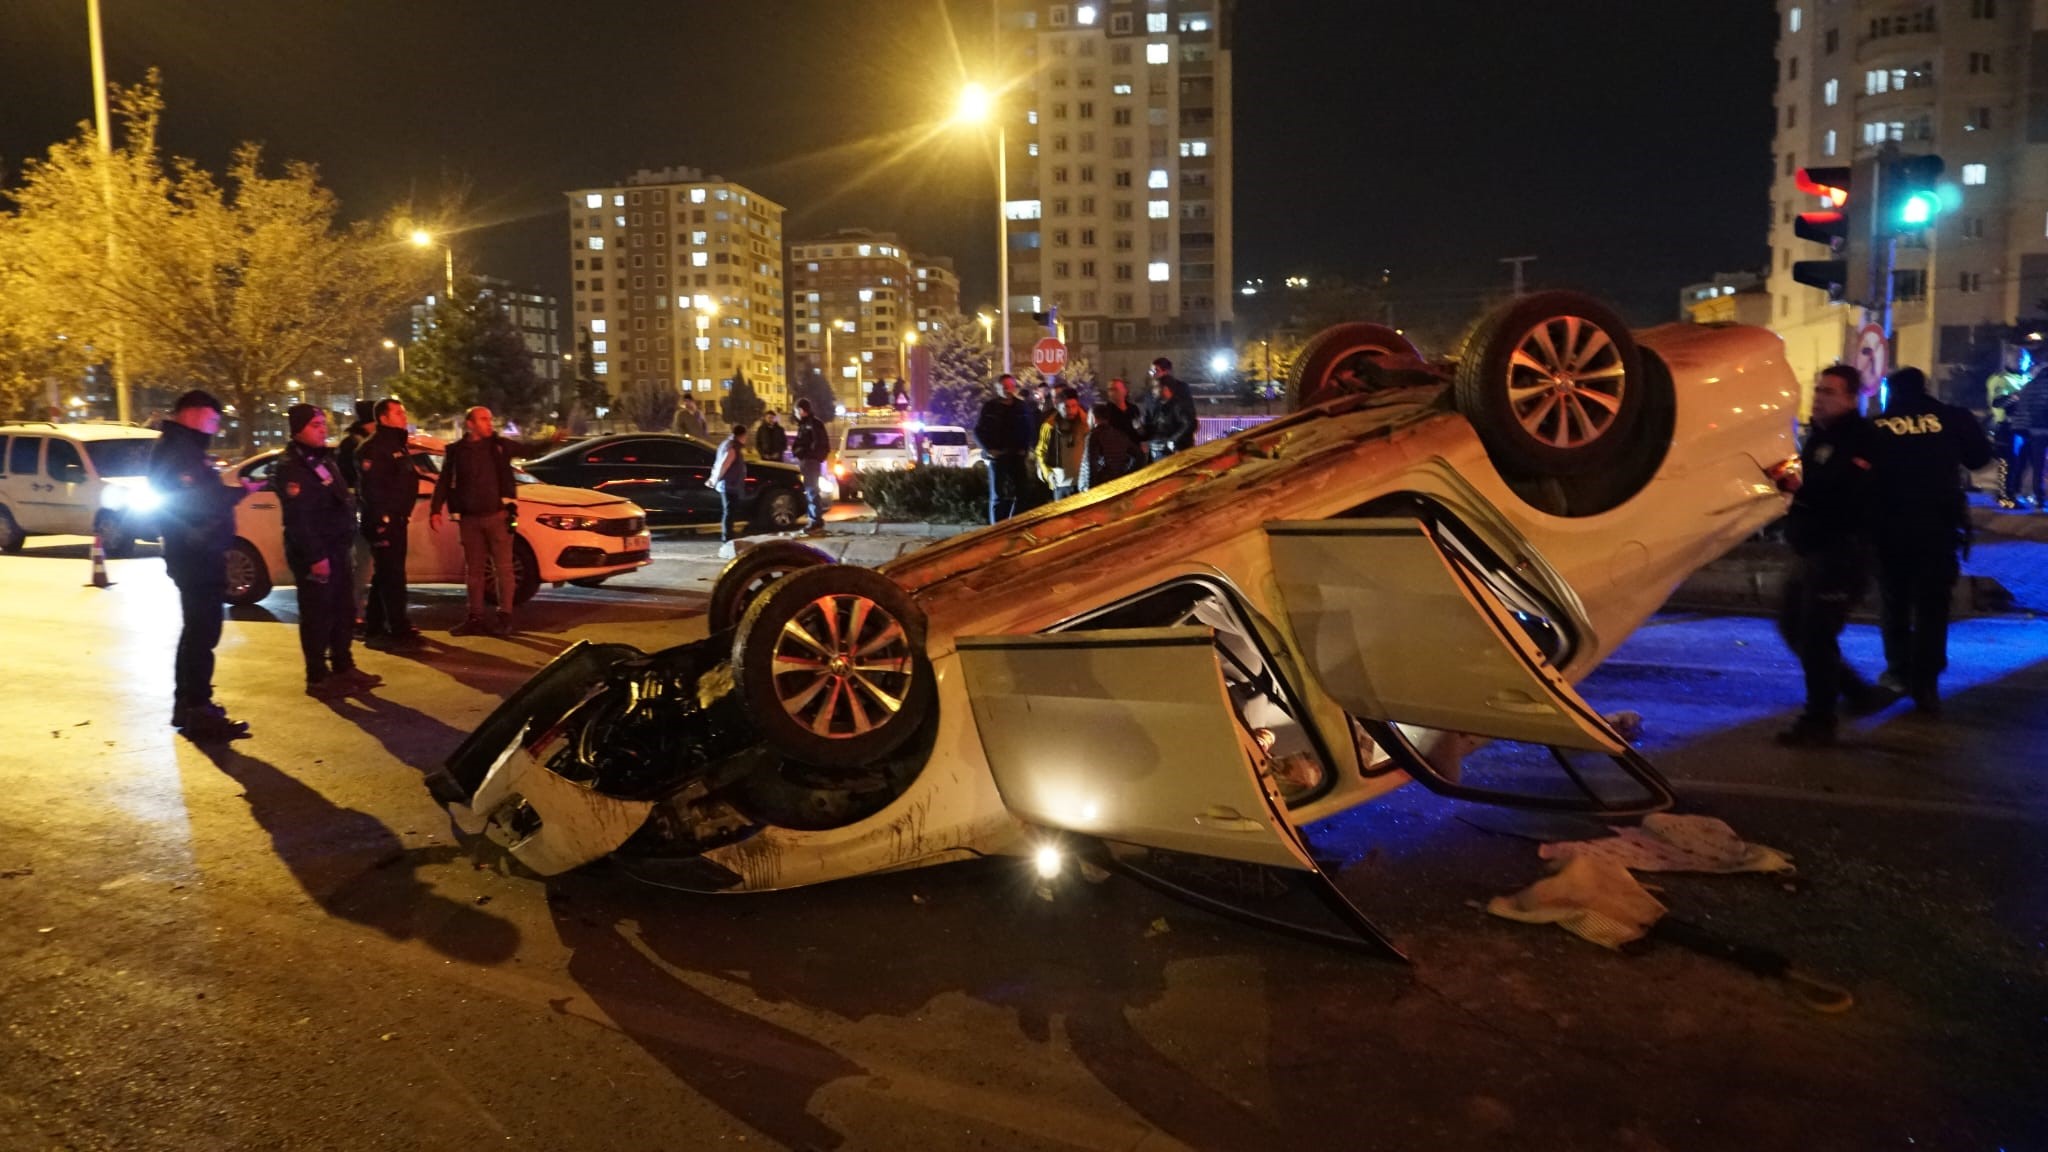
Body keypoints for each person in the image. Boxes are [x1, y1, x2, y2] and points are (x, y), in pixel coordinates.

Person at [1868, 366, 1994, 715]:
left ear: (1890, 392)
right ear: (1924, 387)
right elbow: (1980, 458)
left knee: (1894, 602)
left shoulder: (1876, 426)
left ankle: (1898, 672)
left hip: (1889, 529)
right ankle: (1926, 683)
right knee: (1932, 607)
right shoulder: (1952, 417)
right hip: (1937, 528)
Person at [1774, 365, 1886, 747]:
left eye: (1829, 392)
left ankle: (1819, 720)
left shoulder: (1861, 438)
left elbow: (1843, 489)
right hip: (1812, 549)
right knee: (1793, 625)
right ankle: (1856, 692)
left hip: (1842, 551)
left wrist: (1795, 484)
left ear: (1852, 399)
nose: (1819, 397)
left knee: (1817, 634)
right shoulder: (1818, 436)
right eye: (1818, 389)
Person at [148, 390, 258, 740]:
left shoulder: (183, 449)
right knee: (202, 633)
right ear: (193, 414)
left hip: (197, 553)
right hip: (195, 555)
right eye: (213, 418)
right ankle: (197, 709)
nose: (216, 426)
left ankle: (190, 706)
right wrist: (237, 493)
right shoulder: (178, 452)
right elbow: (198, 501)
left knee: (197, 632)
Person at [277, 405, 381, 699]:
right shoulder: (292, 467)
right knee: (317, 615)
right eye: (314, 425)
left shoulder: (323, 458)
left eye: (323, 423)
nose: (322, 429)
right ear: (298, 430)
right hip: (316, 554)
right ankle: (317, 676)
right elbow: (299, 519)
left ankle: (343, 666)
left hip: (337, 547)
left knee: (342, 610)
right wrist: (315, 557)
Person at [431, 405, 522, 636]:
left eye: (490, 419)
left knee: (504, 568)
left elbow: (529, 449)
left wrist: (551, 440)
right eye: (483, 419)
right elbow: (444, 481)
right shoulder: (456, 451)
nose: (489, 423)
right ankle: (475, 617)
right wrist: (435, 509)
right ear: (470, 424)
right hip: (470, 519)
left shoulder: (499, 446)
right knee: (474, 571)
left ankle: (505, 617)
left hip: (498, 515)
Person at [355, 398, 423, 649]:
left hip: (397, 519)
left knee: (385, 575)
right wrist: (383, 520)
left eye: (404, 411)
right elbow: (373, 490)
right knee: (392, 576)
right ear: (383, 418)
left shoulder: (396, 443)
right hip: (384, 522)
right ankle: (398, 627)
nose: (404, 416)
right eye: (398, 413)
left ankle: (375, 626)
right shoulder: (374, 448)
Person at [334, 400, 376, 638]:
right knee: (359, 564)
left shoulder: (356, 443)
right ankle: (354, 613)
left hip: (361, 511)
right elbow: (349, 484)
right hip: (356, 514)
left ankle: (359, 609)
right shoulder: (353, 446)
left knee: (363, 564)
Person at [975, 373, 1038, 522]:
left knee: (1023, 493)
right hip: (998, 456)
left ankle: (1014, 523)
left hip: (1017, 456)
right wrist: (988, 449)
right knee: (998, 495)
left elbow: (1029, 429)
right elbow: (979, 430)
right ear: (997, 388)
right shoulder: (990, 407)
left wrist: (1026, 447)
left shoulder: (1021, 406)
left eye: (1010, 386)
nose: (1008, 390)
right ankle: (996, 527)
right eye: (1004, 387)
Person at [2002, 370, 2048, 508]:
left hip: (2033, 431)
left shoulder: (2029, 386)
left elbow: (2022, 408)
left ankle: (2038, 496)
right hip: (2043, 427)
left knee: (2037, 466)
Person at [1035, 386, 1088, 500]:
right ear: (1058, 407)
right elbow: (1040, 453)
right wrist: (1048, 475)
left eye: (1074, 406)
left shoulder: (1086, 424)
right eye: (1066, 407)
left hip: (1083, 483)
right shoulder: (1049, 426)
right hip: (1061, 485)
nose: (1070, 410)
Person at [1080, 401, 1144, 491]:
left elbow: (1091, 465)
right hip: (1117, 484)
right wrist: (1126, 474)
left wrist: (1090, 490)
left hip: (1100, 486)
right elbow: (1139, 456)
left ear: (1093, 418)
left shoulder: (1094, 436)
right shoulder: (1119, 435)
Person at [792, 398, 830, 534]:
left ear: (801, 411)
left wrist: (807, 454)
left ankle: (815, 521)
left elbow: (818, 443)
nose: (795, 413)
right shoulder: (804, 424)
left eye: (796, 411)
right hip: (807, 460)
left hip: (811, 461)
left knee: (811, 490)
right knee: (810, 491)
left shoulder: (813, 424)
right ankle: (813, 520)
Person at [1145, 358, 1196, 460]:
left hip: (1178, 445)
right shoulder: (1150, 393)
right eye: (1151, 371)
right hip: (1158, 444)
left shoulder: (1181, 388)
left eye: (1155, 371)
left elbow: (1188, 419)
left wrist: (1174, 440)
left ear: (1166, 371)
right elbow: (1150, 417)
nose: (1152, 374)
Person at [712, 423, 750, 542]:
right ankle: (727, 536)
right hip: (729, 484)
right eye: (745, 436)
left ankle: (729, 534)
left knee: (730, 511)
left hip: (730, 484)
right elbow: (724, 465)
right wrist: (715, 479)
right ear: (742, 435)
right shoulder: (732, 447)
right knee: (729, 511)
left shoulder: (728, 444)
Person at [1099, 377, 1144, 445]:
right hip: (1116, 451)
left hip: (1134, 449)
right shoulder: (1105, 411)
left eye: (1114, 389)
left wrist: (1142, 441)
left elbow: (1138, 428)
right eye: (1109, 390)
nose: (1111, 393)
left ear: (1124, 391)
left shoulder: (1133, 409)